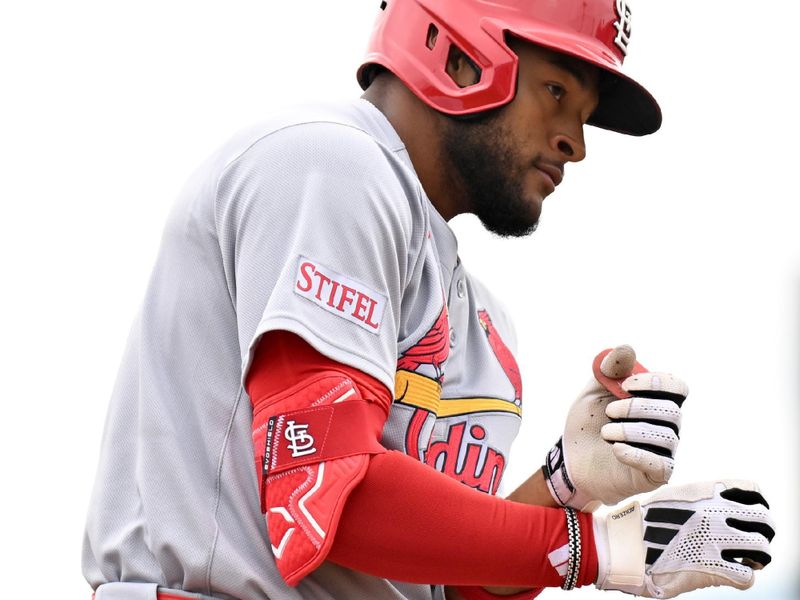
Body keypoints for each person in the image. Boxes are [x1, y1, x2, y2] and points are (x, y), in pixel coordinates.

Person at [82, 1, 775, 599]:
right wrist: (601, 549)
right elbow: (325, 503)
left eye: (585, 114)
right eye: (557, 91)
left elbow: (447, 582)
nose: (576, 143)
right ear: (460, 53)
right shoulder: (329, 163)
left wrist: (564, 487)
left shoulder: (480, 319)